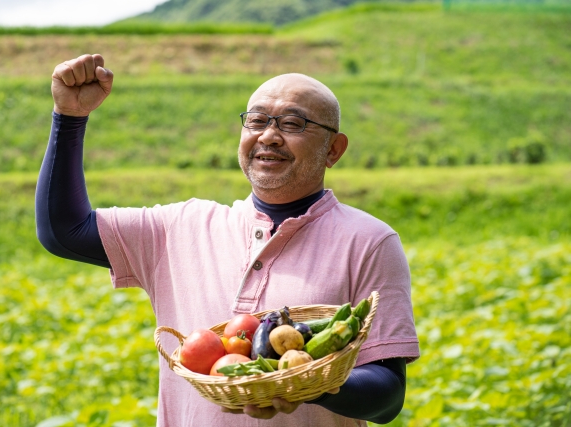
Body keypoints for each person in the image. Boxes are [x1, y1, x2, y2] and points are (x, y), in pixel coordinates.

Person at [36, 53, 420, 427]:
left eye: (292, 123)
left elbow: (386, 396)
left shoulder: (369, 240)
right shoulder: (180, 227)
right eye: (256, 121)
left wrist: (301, 382)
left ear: (333, 150)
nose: (269, 136)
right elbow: (63, 231)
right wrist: (69, 118)